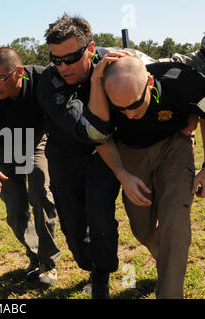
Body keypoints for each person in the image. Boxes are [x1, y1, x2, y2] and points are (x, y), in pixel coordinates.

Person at [87, 55, 204, 299]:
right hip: (130, 153)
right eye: (121, 108)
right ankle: (167, 256)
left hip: (175, 145)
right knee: (142, 229)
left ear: (150, 83)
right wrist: (122, 175)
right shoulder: (103, 93)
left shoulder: (182, 79)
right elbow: (99, 138)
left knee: (174, 220)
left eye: (135, 104)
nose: (129, 115)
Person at [36, 14, 129, 298]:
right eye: (56, 59)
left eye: (71, 58)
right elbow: (86, 129)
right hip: (66, 152)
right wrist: (98, 81)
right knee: (73, 227)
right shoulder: (48, 82)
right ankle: (87, 262)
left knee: (100, 215)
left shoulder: (115, 62)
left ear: (91, 48)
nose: (62, 67)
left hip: (106, 153)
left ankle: (102, 274)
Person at [0, 48, 61, 286]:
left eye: (1, 77)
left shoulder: (42, 80)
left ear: (19, 72)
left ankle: (49, 263)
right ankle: (36, 256)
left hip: (37, 141)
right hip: (3, 150)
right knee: (15, 210)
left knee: (40, 193)